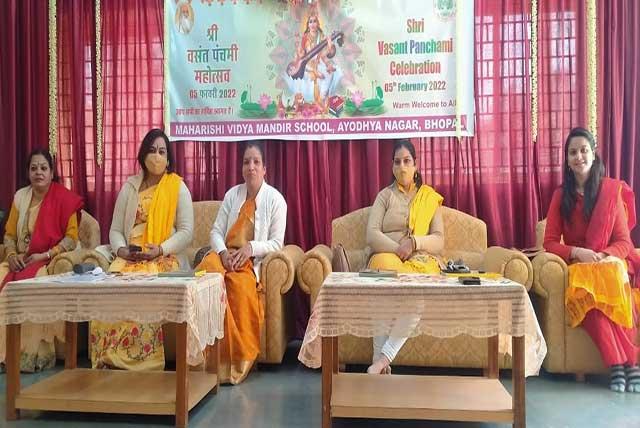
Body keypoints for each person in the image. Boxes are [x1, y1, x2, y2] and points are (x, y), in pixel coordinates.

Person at [544, 127, 640, 393]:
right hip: (581, 270)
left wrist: (607, 257)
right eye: (573, 152)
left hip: (608, 267)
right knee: (591, 301)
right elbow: (549, 242)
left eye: (584, 150)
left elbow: (624, 242)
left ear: (593, 154)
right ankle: (623, 364)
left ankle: (627, 367)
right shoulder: (559, 196)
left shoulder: (610, 192)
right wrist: (577, 252)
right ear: (566, 159)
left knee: (610, 285)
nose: (579, 157)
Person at [90, 128, 194, 371]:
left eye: (162, 152)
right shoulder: (130, 188)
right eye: (152, 150)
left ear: (168, 159)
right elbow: (115, 230)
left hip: (162, 257)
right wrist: (122, 250)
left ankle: (136, 362)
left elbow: (187, 232)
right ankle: (108, 358)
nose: (157, 156)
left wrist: (159, 249)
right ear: (142, 155)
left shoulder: (177, 187)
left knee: (143, 292)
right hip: (130, 256)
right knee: (108, 293)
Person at [197, 141, 287, 384]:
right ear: (241, 168)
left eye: (256, 162)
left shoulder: (276, 200)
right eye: (247, 162)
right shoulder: (231, 195)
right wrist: (224, 253)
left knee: (238, 288)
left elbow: (277, 243)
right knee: (205, 280)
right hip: (223, 257)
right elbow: (216, 232)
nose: (251, 167)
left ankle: (233, 363)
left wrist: (250, 249)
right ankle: (201, 360)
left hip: (248, 264)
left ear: (265, 169)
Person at [365, 139, 445, 374]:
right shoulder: (384, 196)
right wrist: (397, 249)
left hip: (419, 260)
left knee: (416, 295)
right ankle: (380, 363)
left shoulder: (429, 198)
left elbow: (439, 240)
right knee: (381, 283)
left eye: (407, 161)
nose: (402, 167)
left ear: (416, 165)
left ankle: (381, 360)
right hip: (388, 256)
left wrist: (414, 243)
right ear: (391, 167)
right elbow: (371, 233)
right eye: (398, 162)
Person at [0, 148, 83, 372]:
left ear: (52, 172)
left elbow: (71, 239)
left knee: (36, 283)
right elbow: (9, 235)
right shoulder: (20, 197)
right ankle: (3, 354)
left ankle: (30, 354)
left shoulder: (63, 199)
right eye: (34, 168)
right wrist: (11, 255)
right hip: (19, 259)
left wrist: (46, 255)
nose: (39, 172)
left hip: (46, 260)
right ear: (28, 172)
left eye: (43, 168)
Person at [285, 8, 342, 109]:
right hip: (307, 64)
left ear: (318, 23)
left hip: (319, 61)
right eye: (310, 22)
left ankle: (322, 98)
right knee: (314, 75)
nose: (312, 24)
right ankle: (309, 102)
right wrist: (299, 45)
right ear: (307, 25)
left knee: (331, 73)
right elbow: (301, 54)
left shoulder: (322, 36)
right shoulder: (305, 37)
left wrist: (330, 45)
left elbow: (327, 53)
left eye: (314, 21)